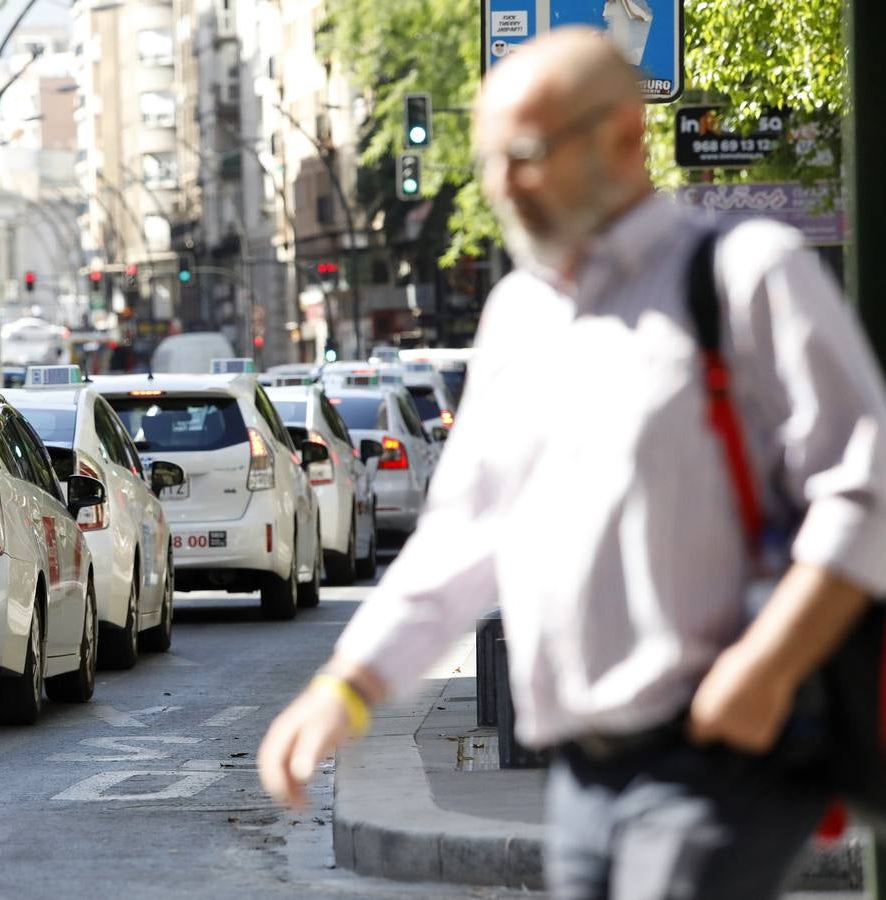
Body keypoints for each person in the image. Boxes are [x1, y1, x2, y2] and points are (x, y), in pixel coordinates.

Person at [257, 27, 886, 900]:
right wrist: (348, 686)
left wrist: (767, 667)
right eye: (488, 161)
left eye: (525, 154)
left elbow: (865, 487)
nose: (501, 185)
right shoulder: (519, 315)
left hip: (726, 750)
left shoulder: (743, 275)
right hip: (582, 776)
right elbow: (461, 534)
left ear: (623, 136)